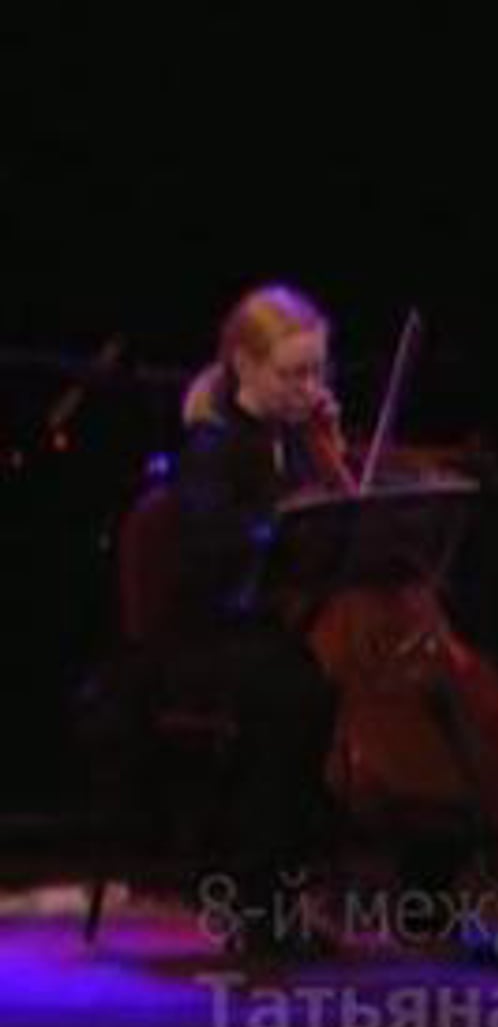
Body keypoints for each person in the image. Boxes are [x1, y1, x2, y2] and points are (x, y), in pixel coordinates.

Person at [156, 284, 346, 955]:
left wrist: (332, 453)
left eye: (317, 371)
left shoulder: (299, 440)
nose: (309, 388)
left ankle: (325, 884)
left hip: (280, 628)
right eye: (293, 373)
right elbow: (208, 553)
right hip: (216, 634)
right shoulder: (213, 445)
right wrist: (275, 526)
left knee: (320, 683)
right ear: (244, 364)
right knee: (296, 695)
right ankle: (259, 897)